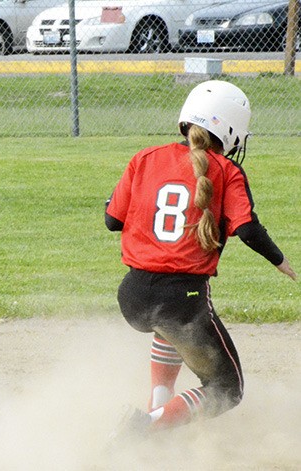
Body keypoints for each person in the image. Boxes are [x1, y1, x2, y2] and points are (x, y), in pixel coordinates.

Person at [104, 80, 297, 437]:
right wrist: (280, 260)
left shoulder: (145, 157)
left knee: (168, 330)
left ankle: (157, 410)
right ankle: (147, 426)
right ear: (231, 130)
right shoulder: (225, 170)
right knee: (227, 389)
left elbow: (111, 220)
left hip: (132, 295)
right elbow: (247, 228)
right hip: (181, 299)